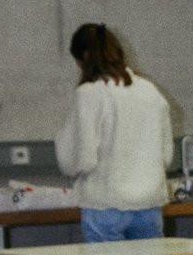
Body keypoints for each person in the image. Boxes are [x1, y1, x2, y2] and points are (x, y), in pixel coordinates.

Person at [55, 23, 175, 243]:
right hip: (148, 204)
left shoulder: (89, 94)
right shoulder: (150, 91)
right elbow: (165, 156)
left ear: (83, 57)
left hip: (105, 204)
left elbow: (80, 158)